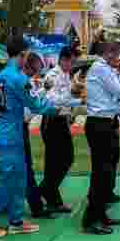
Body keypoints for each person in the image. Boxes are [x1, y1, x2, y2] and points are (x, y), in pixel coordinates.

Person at [0, 36, 58, 238]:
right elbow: (36, 105)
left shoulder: (3, 75)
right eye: (27, 54)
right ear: (22, 54)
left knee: (20, 179)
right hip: (8, 134)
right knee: (7, 180)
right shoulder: (17, 78)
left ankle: (16, 220)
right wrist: (56, 106)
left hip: (11, 133)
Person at [82, 41, 120, 235]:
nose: (119, 59)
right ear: (109, 54)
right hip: (99, 124)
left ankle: (100, 213)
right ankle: (91, 219)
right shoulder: (100, 69)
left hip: (106, 122)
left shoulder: (106, 70)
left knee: (107, 171)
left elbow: (115, 99)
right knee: (102, 172)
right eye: (117, 55)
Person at [38, 47, 86, 214]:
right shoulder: (52, 75)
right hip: (51, 121)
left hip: (61, 121)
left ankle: (48, 192)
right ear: (64, 59)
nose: (73, 65)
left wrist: (80, 102)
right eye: (72, 61)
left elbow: (66, 100)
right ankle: (47, 192)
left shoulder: (66, 75)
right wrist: (75, 98)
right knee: (58, 161)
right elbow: (52, 101)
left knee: (63, 160)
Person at [21, 52, 52, 218]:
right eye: (38, 68)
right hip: (17, 127)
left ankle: (5, 203)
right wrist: (48, 101)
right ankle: (36, 206)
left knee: (13, 170)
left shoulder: (22, 79)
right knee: (25, 168)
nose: (38, 72)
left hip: (17, 127)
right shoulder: (22, 81)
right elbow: (33, 108)